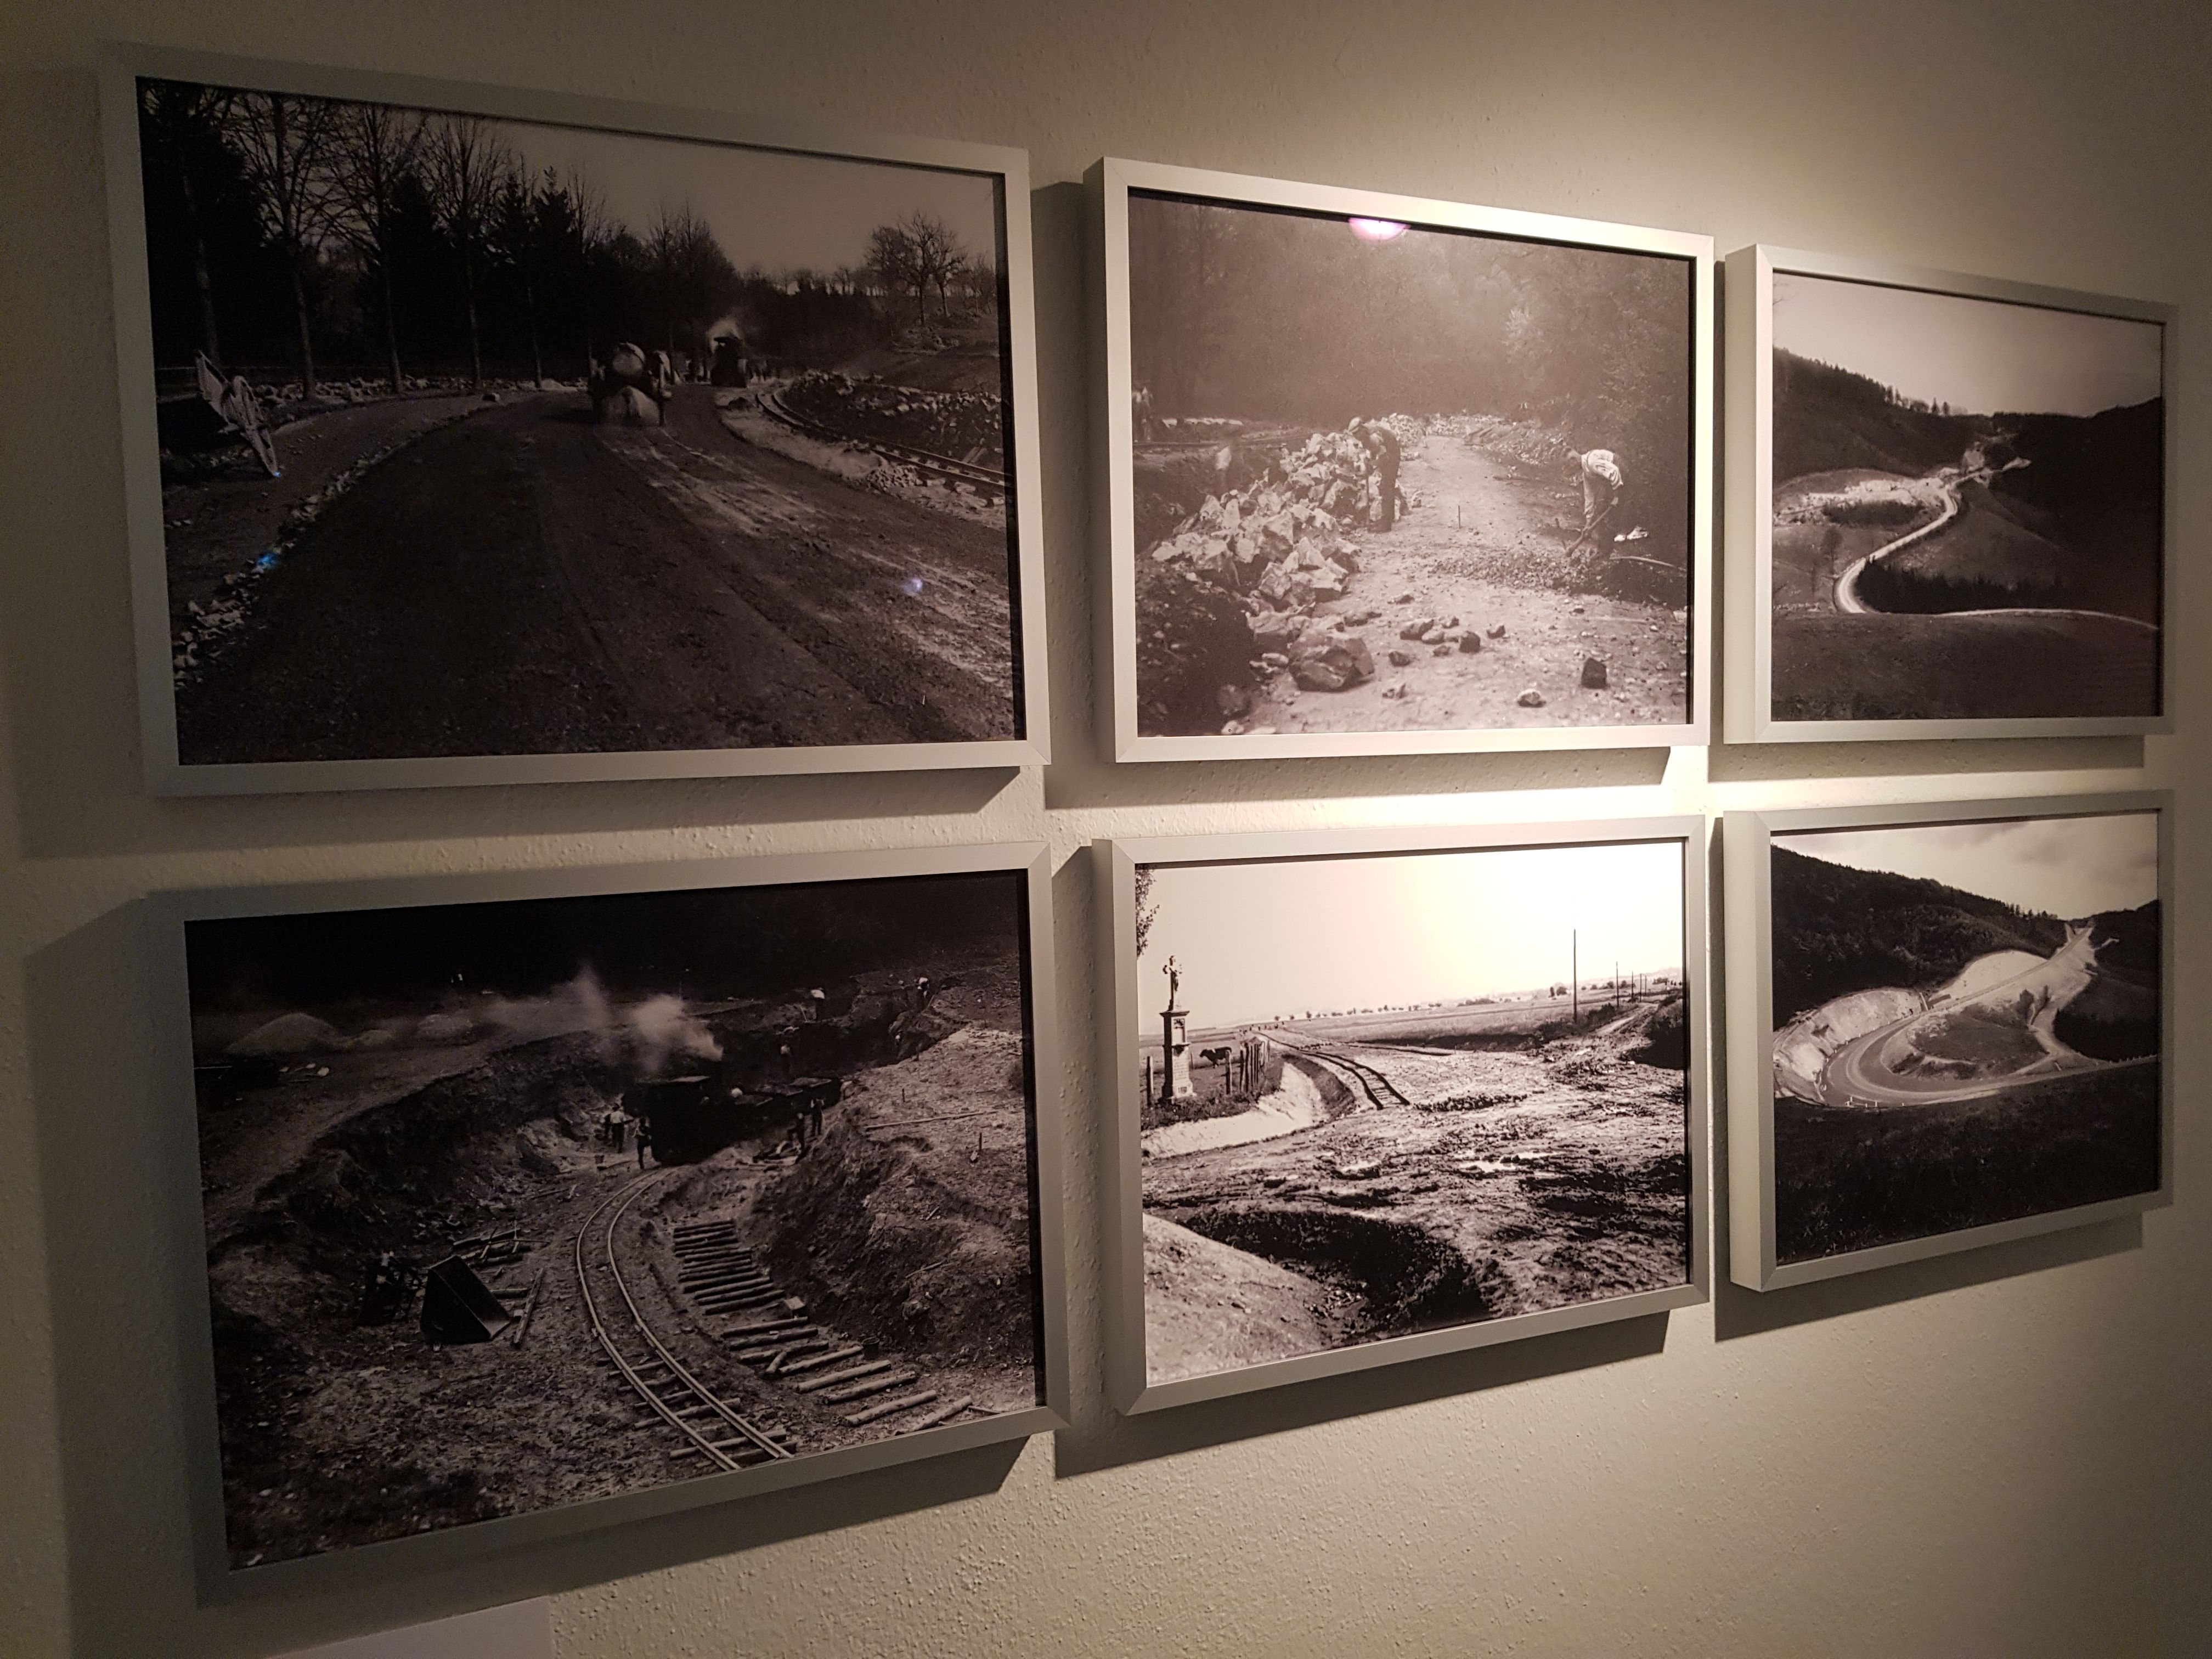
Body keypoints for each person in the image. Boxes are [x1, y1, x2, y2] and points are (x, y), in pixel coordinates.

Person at [1358, 420, 1403, 530]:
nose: (1357, 437)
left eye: (1357, 434)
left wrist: (1372, 464)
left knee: (1387, 487)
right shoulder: (1366, 436)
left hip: (1392, 454)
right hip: (1388, 453)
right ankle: (1388, 518)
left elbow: (1384, 458)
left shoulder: (1373, 437)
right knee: (1386, 486)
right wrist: (1370, 463)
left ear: (1362, 430)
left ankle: (1386, 524)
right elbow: (1373, 451)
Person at [1576, 448, 1623, 537]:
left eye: (1569, 466)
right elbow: (1589, 497)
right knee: (1602, 507)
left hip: (1621, 471)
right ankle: (1606, 541)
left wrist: (1617, 496)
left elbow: (1614, 471)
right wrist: (1588, 523)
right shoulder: (1586, 474)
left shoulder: (1591, 461)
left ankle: (1624, 534)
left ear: (1573, 461)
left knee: (1621, 507)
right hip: (1612, 482)